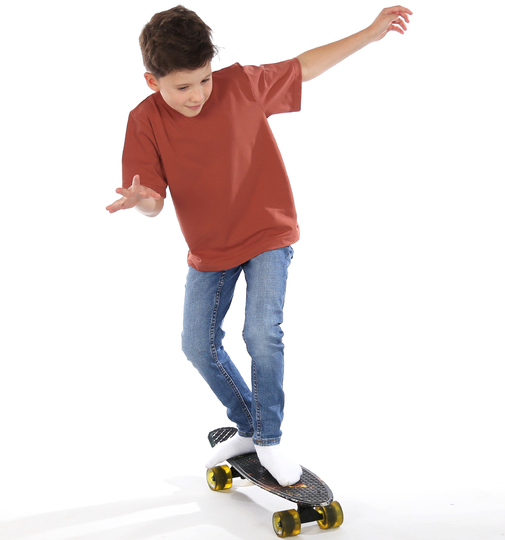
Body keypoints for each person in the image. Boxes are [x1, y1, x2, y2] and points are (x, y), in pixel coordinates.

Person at [107, 4, 412, 486]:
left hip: (267, 233)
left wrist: (369, 34)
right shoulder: (144, 120)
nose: (198, 95)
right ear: (152, 82)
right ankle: (248, 427)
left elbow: (303, 66)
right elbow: (153, 202)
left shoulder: (241, 85)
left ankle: (269, 439)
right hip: (210, 249)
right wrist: (141, 200)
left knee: (261, 333)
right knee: (197, 346)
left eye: (205, 79)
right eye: (183, 87)